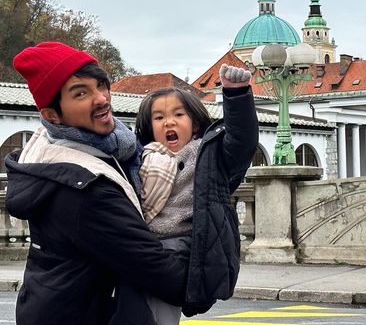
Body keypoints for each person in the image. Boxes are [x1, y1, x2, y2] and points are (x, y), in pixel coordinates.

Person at [3, 41, 257, 324]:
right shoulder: (82, 185)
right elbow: (153, 267)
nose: (101, 98)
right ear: (52, 115)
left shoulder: (110, 148)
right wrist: (206, 279)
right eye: (81, 93)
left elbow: (237, 151)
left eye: (101, 85)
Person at [124, 64, 257, 324]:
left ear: (194, 123)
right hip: (143, 246)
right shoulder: (141, 157)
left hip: (181, 247)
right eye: (159, 117)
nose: (169, 122)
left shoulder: (207, 154)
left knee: (159, 314)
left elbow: (242, 143)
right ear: (149, 127)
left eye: (178, 114)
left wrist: (237, 95)